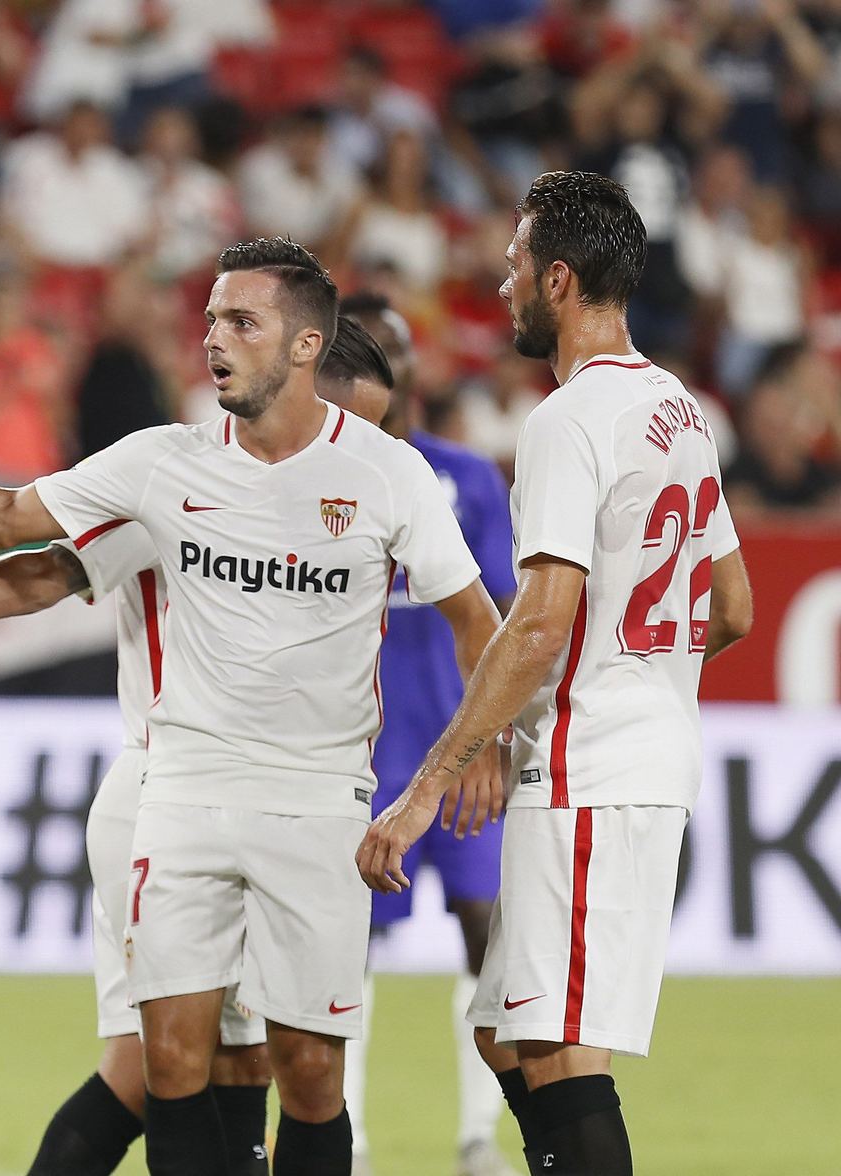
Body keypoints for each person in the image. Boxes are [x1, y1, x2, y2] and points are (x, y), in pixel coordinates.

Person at [0, 237, 503, 1174]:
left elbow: (481, 622)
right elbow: (8, 525)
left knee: (307, 1072)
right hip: (177, 785)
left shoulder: (389, 476)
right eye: (211, 323)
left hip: (317, 798)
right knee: (171, 1061)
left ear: (307, 346)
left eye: (241, 322)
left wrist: (475, 750)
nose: (214, 342)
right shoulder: (162, 465)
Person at [0, 314, 399, 1176]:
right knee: (228, 1063)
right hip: (176, 795)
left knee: (152, 1071)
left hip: (212, 800)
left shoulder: (345, 506)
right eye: (355, 425)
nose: (367, 451)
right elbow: (41, 563)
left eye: (378, 432)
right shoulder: (197, 487)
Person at [358, 171, 755, 1176]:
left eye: (515, 265)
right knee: (509, 1032)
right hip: (641, 750)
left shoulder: (566, 422)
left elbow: (538, 625)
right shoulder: (681, 407)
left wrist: (432, 782)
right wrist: (641, 656)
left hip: (591, 766)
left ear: (560, 279)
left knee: (563, 1049)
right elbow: (736, 607)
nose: (502, 284)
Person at [336, 292, 520, 1176]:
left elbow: (505, 616)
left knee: (486, 928)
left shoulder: (468, 478)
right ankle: (354, 1137)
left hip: (460, 750)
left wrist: (496, 735)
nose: (394, 363)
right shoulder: (316, 477)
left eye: (401, 347)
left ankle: (480, 1134)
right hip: (363, 754)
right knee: (349, 945)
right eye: (376, 350)